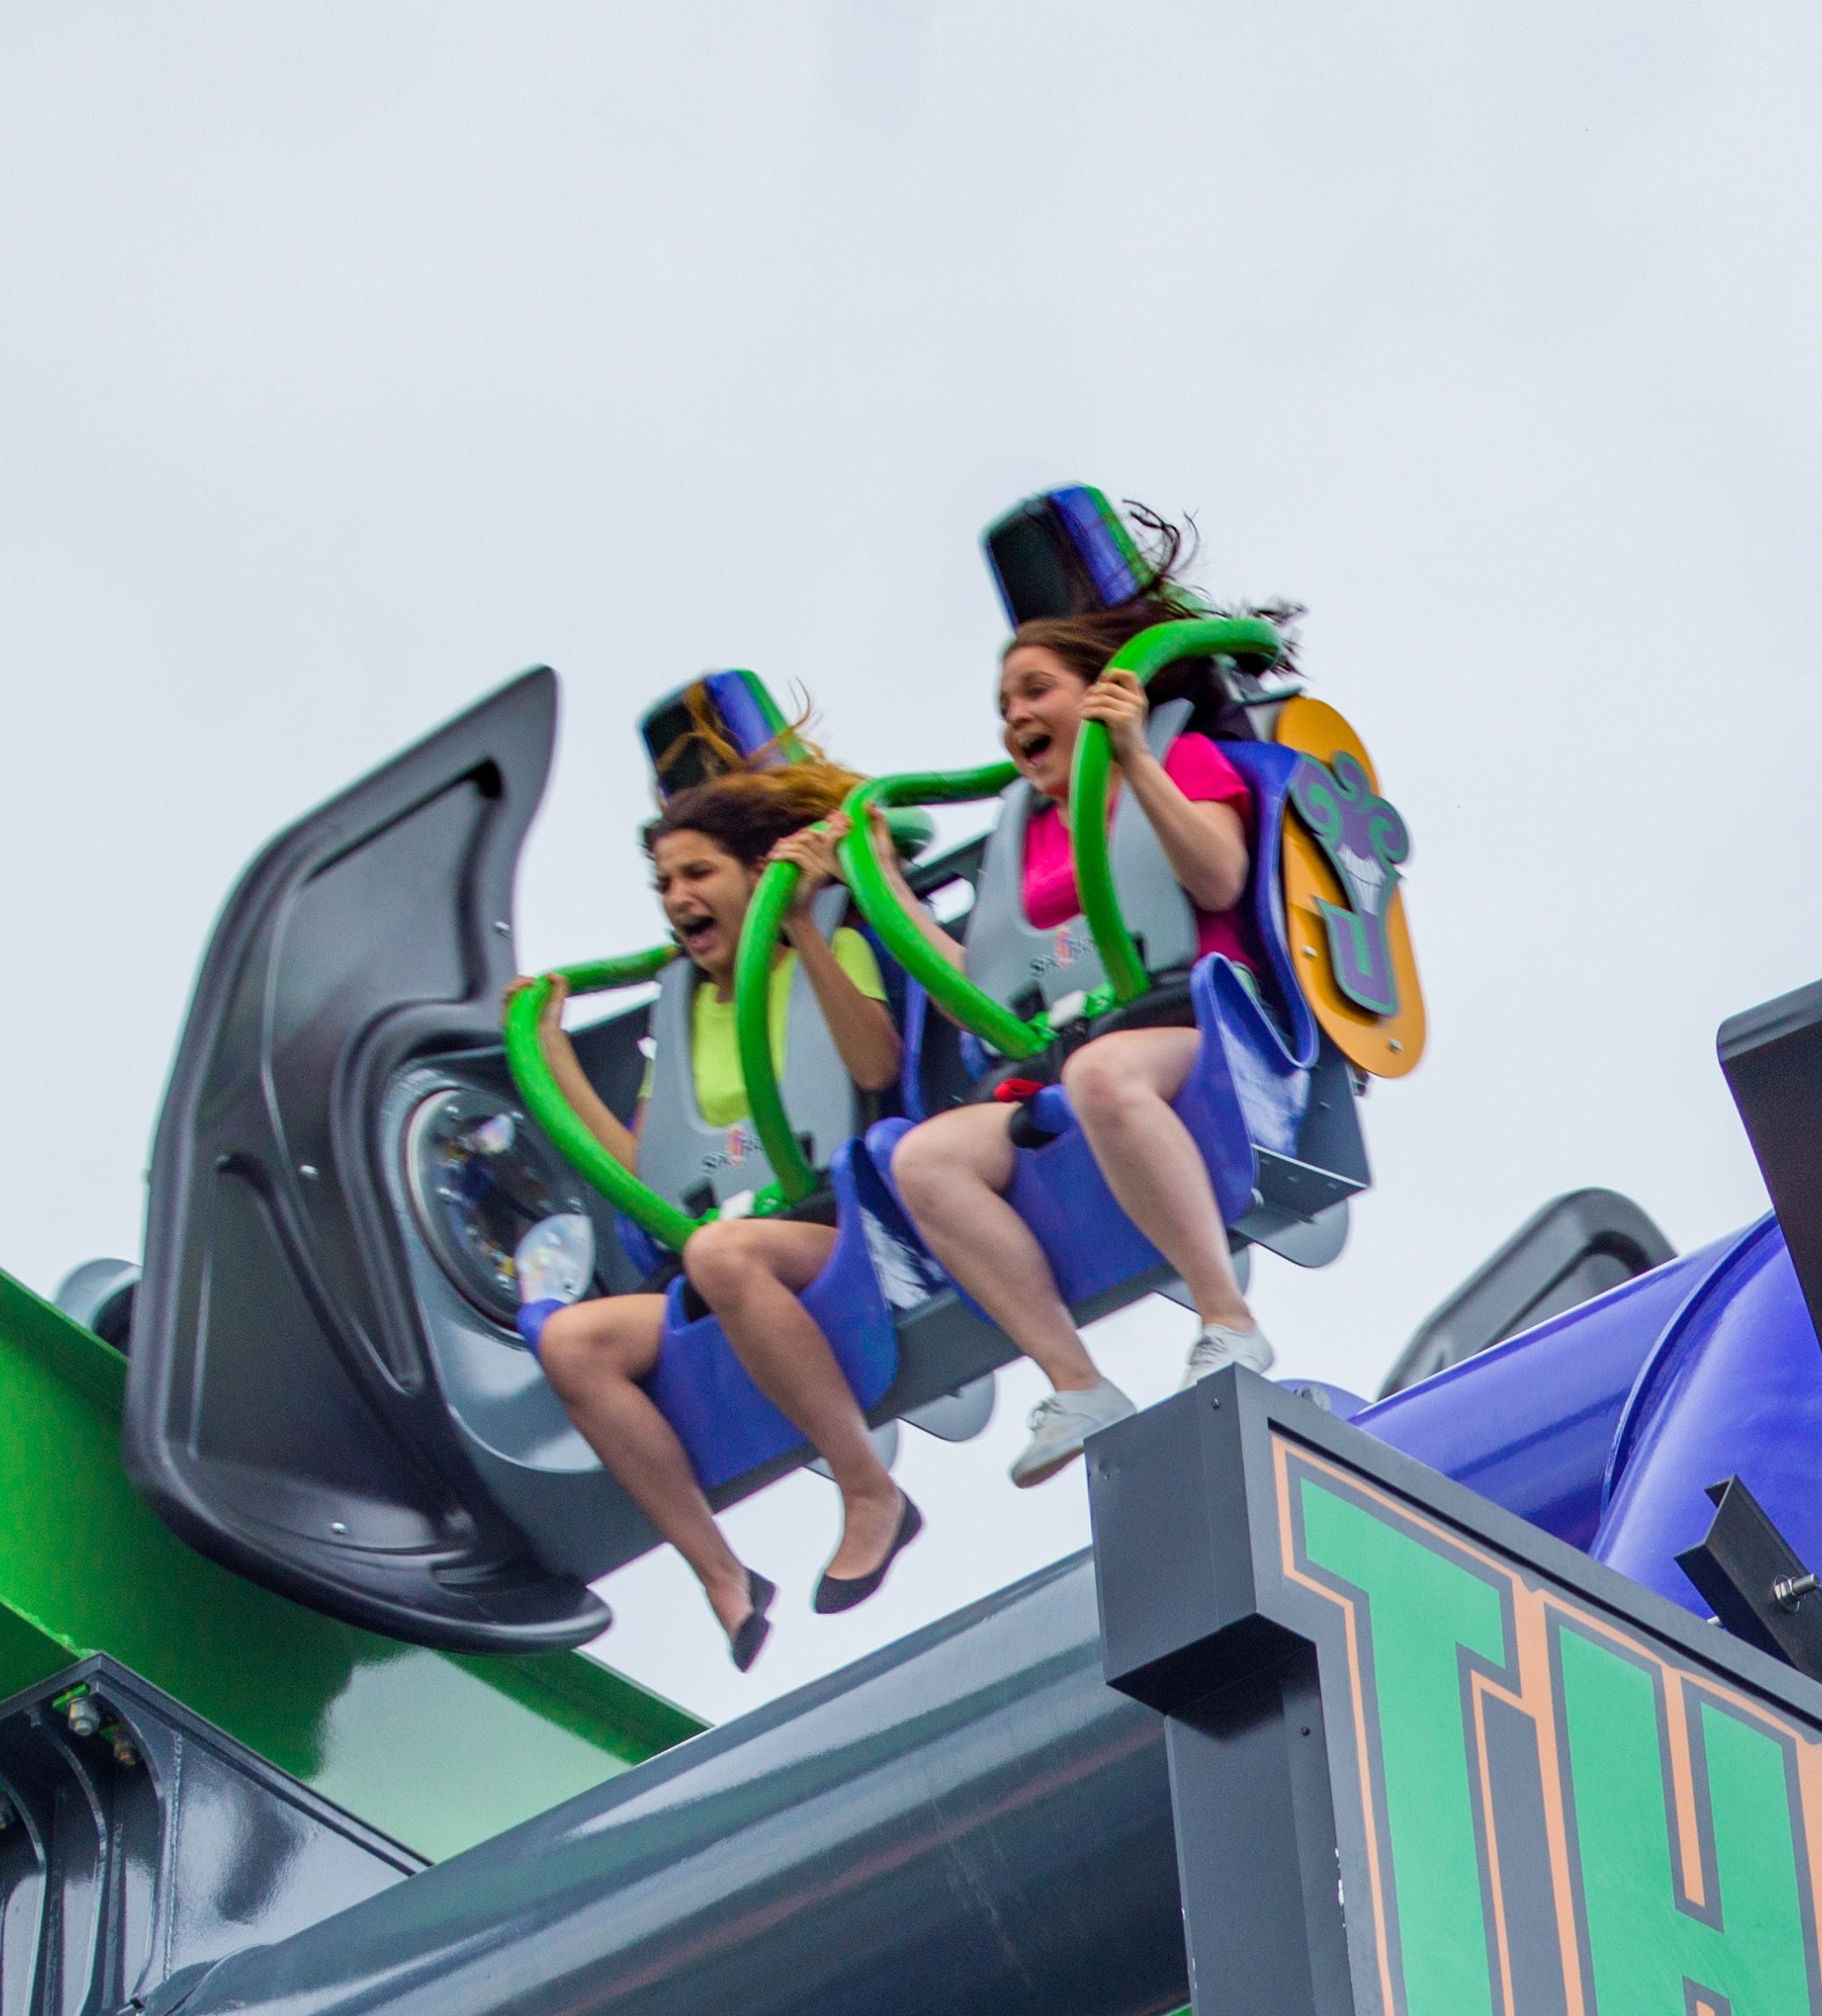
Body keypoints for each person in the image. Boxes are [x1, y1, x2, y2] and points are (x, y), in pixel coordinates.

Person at [876, 530, 1296, 1491]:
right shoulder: (1027, 833)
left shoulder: (1182, 757)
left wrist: (1135, 756)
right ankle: (1076, 1384)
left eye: (1036, 691)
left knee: (1100, 1075)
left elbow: (1218, 876)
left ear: (1099, 691)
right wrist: (886, 888)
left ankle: (1227, 1318)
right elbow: (984, 985)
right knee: (925, 1160)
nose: (1016, 717)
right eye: (1004, 706)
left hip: (1198, 1023)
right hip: (1074, 1047)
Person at [520, 744, 915, 1664]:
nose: (677, 898)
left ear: (753, 873)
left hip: (834, 1231)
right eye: (665, 883)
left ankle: (871, 1491)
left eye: (698, 873)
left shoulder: (829, 947)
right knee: (572, 1343)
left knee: (719, 1254)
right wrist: (556, 1058)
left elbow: (874, 1066)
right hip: (729, 1249)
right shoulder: (685, 1011)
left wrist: (803, 923)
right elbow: (652, 1175)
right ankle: (722, 1575)